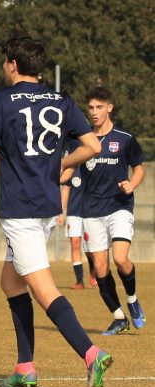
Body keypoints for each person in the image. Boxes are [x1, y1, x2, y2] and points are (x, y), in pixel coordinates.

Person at [0, 36, 112, 387]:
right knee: (11, 282)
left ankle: (91, 352)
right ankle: (25, 368)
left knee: (42, 287)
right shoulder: (62, 99)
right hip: (48, 207)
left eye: (5, 61)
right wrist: (59, 165)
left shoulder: (1, 101)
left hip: (20, 208)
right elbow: (93, 146)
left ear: (12, 64)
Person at [79, 87, 146, 335]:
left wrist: (132, 183)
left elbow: (139, 168)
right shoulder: (84, 140)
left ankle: (132, 300)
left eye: (99, 107)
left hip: (119, 206)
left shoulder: (125, 138)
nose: (94, 112)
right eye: (91, 108)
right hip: (91, 210)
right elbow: (67, 168)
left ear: (109, 108)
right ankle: (119, 317)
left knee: (120, 258)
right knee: (100, 269)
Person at [60, 141, 97, 289]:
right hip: (74, 211)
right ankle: (79, 280)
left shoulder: (93, 165)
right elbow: (65, 189)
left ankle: (93, 270)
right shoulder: (71, 167)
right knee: (75, 243)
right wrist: (60, 211)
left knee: (91, 248)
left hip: (92, 212)